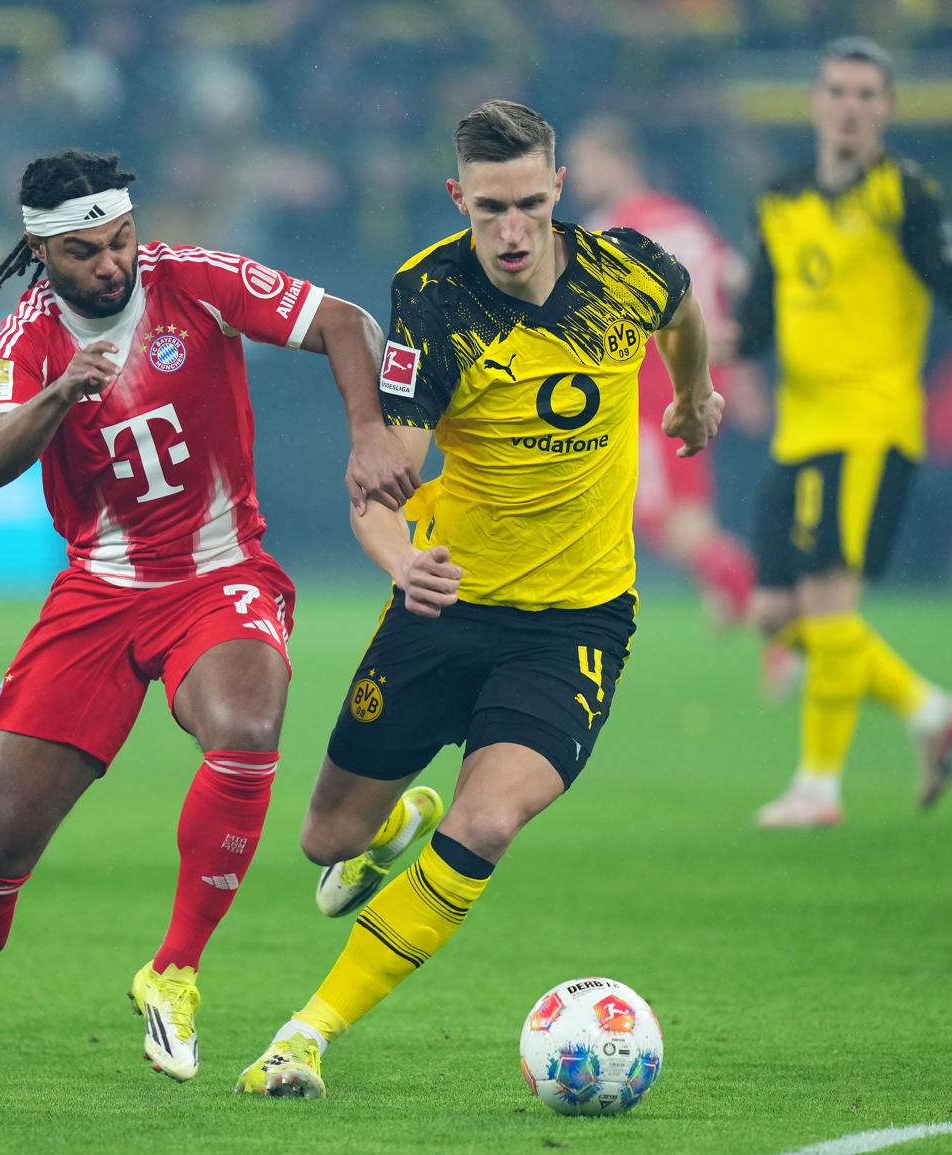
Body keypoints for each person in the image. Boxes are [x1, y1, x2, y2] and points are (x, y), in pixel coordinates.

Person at [0, 149, 418, 1085]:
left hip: (218, 571)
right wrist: (57, 394)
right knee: (1, 838)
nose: (113, 263)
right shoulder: (26, 341)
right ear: (42, 252)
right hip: (99, 592)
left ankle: (173, 970)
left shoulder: (192, 277)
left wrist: (367, 431)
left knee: (246, 724)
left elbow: (343, 322)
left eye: (119, 239)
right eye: (85, 252)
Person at [235, 100, 723, 1098]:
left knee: (489, 823)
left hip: (576, 624)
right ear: (459, 196)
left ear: (558, 195)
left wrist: (693, 393)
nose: (509, 231)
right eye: (489, 207)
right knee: (324, 841)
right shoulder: (432, 297)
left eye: (529, 206)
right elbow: (380, 480)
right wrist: (395, 562)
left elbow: (682, 317)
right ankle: (387, 825)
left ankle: (304, 1034)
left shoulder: (629, 269)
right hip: (443, 605)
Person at [735, 37, 952, 828]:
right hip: (799, 428)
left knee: (830, 604)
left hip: (870, 426)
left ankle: (818, 787)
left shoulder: (904, 194)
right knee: (775, 613)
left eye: (867, 95)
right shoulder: (780, 199)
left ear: (887, 110)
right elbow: (758, 318)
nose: (850, 108)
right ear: (816, 102)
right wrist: (714, 362)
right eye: (838, 92)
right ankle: (932, 711)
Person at [569, 113, 761, 626]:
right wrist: (740, 361)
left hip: (649, 391)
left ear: (619, 160)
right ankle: (736, 594)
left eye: (587, 162)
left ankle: (756, 595)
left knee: (659, 518)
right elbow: (741, 283)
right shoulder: (688, 221)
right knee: (678, 513)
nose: (577, 175)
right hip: (702, 384)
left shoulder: (606, 232)